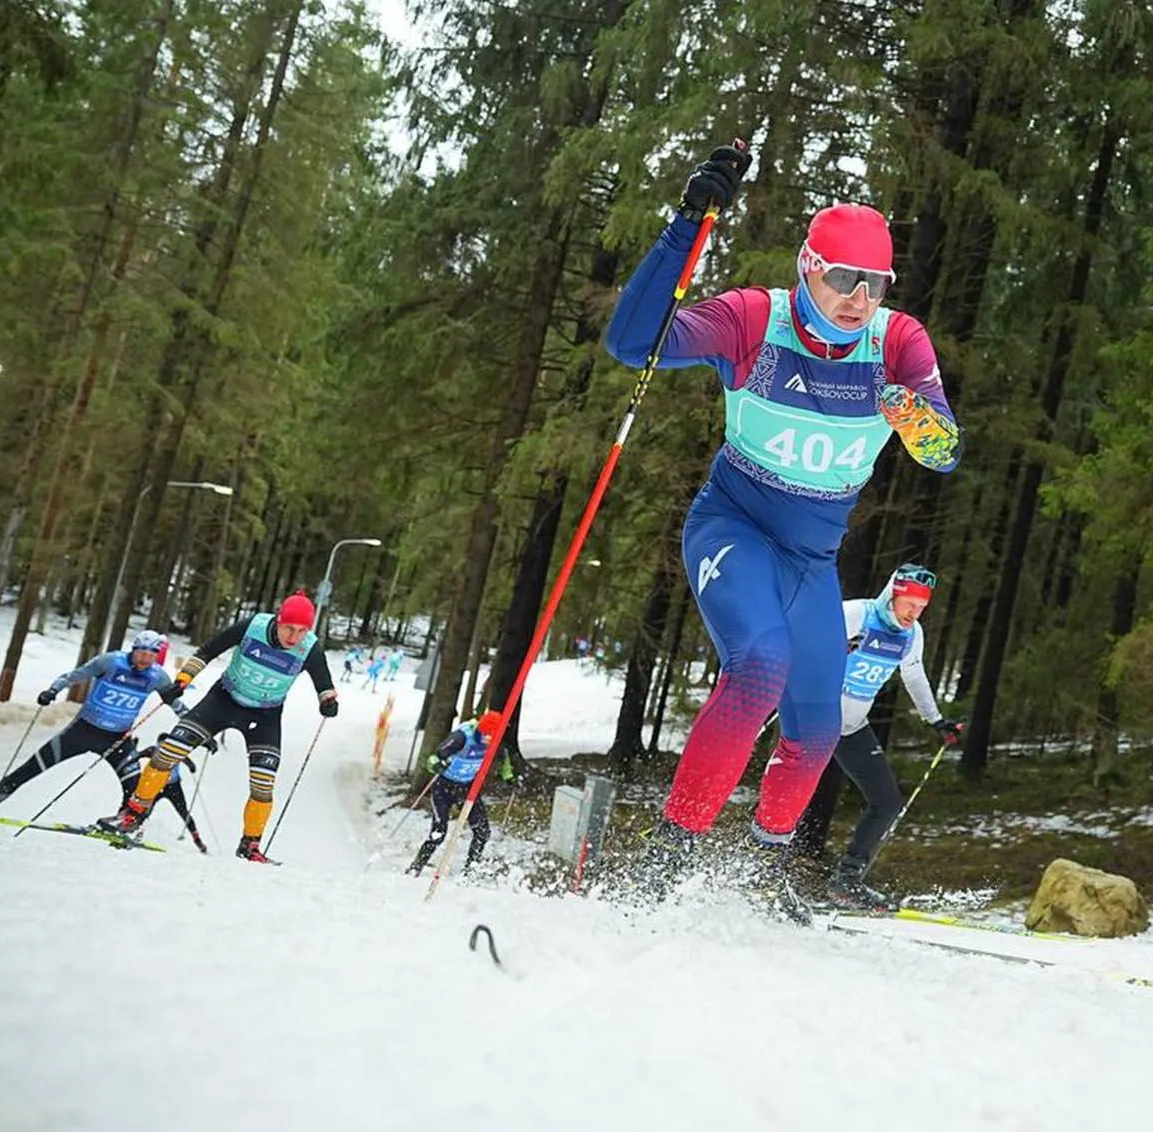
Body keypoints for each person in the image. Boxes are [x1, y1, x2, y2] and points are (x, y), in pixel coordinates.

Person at [602, 143, 961, 906]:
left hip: (811, 560)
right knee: (759, 666)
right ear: (809, 265)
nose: (858, 297)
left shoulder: (897, 342)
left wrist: (916, 417)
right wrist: (687, 225)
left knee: (819, 724)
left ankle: (763, 870)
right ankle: (669, 854)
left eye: (875, 282)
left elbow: (943, 453)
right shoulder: (754, 319)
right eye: (843, 277)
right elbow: (634, 343)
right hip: (734, 525)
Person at [96, 591, 338, 864]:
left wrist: (327, 701)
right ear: (278, 620)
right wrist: (183, 680)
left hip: (266, 716)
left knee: (263, 784)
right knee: (167, 752)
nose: (294, 638)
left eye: (302, 631)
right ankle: (132, 815)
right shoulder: (253, 627)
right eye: (289, 628)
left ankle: (251, 846)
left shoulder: (311, 648)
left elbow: (325, 685)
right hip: (223, 700)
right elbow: (207, 651)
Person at [820, 564, 964, 910]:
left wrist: (936, 720)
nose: (913, 613)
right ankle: (767, 865)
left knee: (887, 802)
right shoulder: (857, 613)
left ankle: (847, 883)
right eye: (909, 604)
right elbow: (805, 642)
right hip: (815, 719)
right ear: (893, 595)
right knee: (796, 792)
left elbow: (914, 677)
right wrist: (836, 650)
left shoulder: (912, 635)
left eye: (921, 607)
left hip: (851, 727)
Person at [0, 630, 173, 828]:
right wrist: (52, 691)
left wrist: (194, 726)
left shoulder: (157, 676)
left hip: (116, 740)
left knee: (138, 788)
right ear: (133, 650)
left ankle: (127, 827)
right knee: (27, 771)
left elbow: (175, 701)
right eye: (142, 653)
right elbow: (73, 676)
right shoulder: (111, 662)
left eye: (151, 656)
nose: (145, 660)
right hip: (81, 732)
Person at [404, 717, 514, 877]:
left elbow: (505, 758)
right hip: (444, 787)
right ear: (480, 730)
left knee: (483, 831)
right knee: (438, 833)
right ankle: (416, 866)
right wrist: (436, 765)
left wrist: (508, 775)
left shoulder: (495, 741)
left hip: (467, 788)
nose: (488, 741)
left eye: (492, 738)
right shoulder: (462, 737)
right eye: (486, 736)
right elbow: (434, 758)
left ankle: (471, 869)